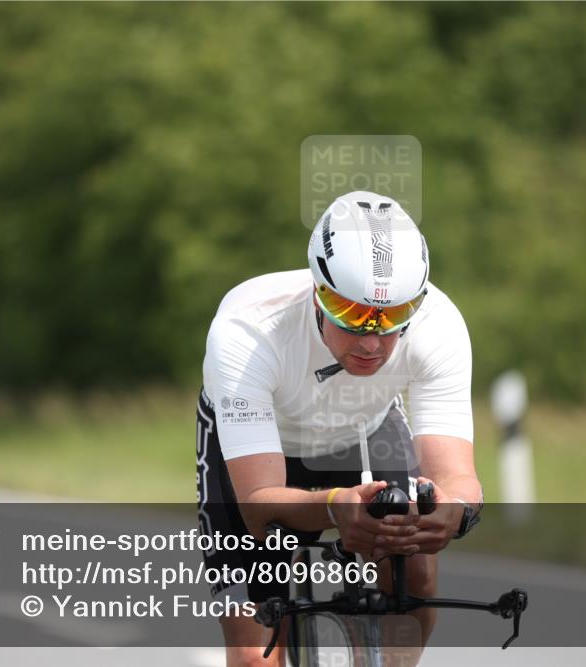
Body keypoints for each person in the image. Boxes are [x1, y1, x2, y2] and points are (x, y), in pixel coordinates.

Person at [197, 191, 483, 665]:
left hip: (364, 430)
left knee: (417, 579)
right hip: (264, 455)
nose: (372, 342)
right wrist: (334, 507)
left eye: (391, 317)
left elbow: (458, 478)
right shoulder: (247, 330)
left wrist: (452, 513)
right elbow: (258, 504)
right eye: (352, 316)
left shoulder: (439, 324)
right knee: (255, 653)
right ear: (319, 291)